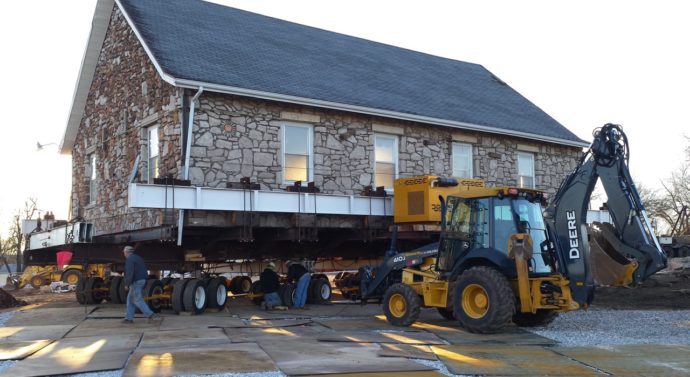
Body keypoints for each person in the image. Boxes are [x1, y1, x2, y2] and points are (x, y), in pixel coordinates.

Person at [122, 246, 160, 324]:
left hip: (136, 281)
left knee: (137, 299)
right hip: (142, 280)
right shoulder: (139, 258)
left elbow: (130, 273)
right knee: (130, 300)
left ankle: (151, 314)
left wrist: (127, 284)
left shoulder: (130, 260)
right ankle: (129, 318)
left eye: (124, 253)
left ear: (127, 252)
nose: (124, 254)